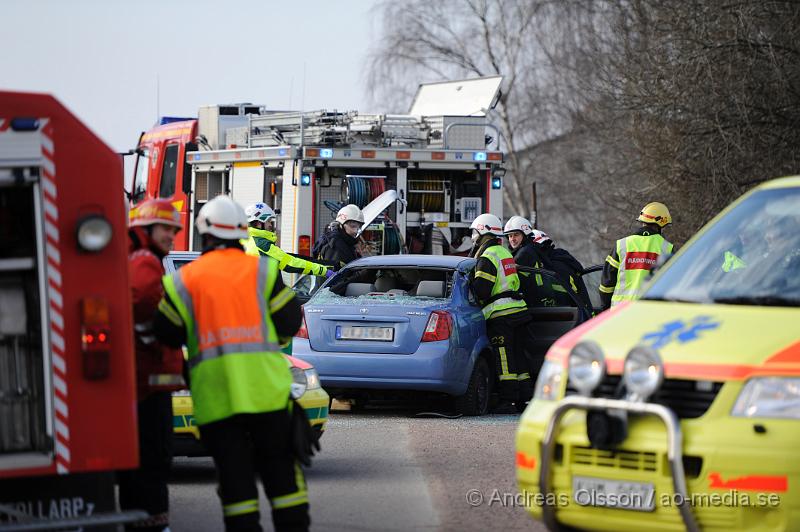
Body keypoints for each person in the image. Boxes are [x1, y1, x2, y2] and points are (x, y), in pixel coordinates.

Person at [152, 196, 310, 532]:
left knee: (235, 482)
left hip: (216, 399)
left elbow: (164, 333)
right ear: (241, 231)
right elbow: (288, 321)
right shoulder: (263, 272)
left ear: (204, 233)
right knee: (284, 480)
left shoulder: (183, 280)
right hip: (267, 393)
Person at [120, 198, 186, 532]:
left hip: (146, 380)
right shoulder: (144, 260)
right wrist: (170, 326)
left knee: (147, 457)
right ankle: (152, 522)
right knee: (154, 457)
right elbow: (143, 299)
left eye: (174, 231)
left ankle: (142, 518)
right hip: (148, 383)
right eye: (166, 229)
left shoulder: (139, 257)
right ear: (145, 229)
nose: (171, 236)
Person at [468, 213, 534, 414]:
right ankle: (525, 398)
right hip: (519, 311)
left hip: (500, 315)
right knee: (519, 358)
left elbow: (482, 290)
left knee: (504, 359)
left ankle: (507, 400)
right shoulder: (504, 252)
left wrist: (470, 284)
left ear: (482, 231)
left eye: (474, 232)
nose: (473, 237)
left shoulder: (487, 257)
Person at [599, 202, 674, 310]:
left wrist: (604, 309)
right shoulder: (667, 248)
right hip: (651, 312)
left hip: (620, 313)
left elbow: (606, 285)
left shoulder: (621, 245)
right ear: (660, 224)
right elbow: (671, 284)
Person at [243, 202, 333, 278]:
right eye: (268, 221)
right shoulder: (261, 244)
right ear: (259, 223)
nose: (270, 225)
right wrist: (323, 271)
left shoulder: (246, 239)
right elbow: (290, 263)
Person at [529, 229, 592, 309]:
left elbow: (566, 296)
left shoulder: (555, 267)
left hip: (572, 314)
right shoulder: (560, 259)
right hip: (580, 310)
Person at [316, 204, 364, 269]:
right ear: (341, 225)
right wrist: (363, 274)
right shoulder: (333, 247)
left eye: (359, 227)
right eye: (353, 226)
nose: (356, 231)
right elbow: (334, 277)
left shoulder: (347, 242)